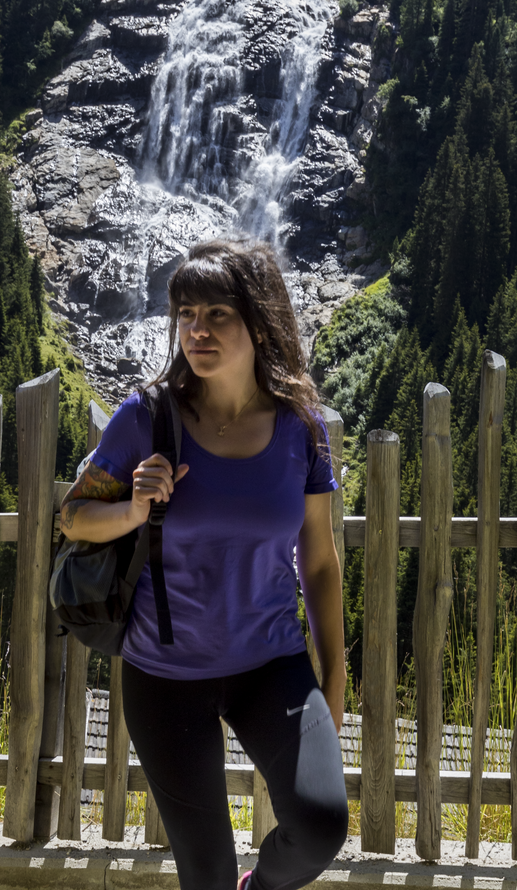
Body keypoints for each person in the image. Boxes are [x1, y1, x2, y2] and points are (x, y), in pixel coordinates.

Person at [59, 241, 349, 889]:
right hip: (166, 673)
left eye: (218, 312)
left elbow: (321, 563)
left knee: (322, 825)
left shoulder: (302, 428)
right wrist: (135, 508)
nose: (197, 328)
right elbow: (75, 517)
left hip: (272, 664)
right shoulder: (146, 418)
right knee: (206, 872)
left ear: (261, 321)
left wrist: (333, 678)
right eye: (186, 312)